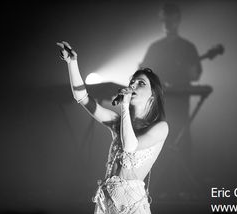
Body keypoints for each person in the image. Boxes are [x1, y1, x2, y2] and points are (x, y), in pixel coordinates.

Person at [57, 41, 169, 214]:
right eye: (132, 81)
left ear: (153, 95)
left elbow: (130, 146)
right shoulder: (118, 123)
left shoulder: (161, 127)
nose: (133, 85)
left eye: (141, 83)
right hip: (106, 201)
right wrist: (72, 63)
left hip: (132, 204)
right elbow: (82, 98)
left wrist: (124, 105)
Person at [140, 3, 202, 199]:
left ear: (178, 20)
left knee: (181, 140)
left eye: (170, 18)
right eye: (164, 19)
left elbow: (196, 74)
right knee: (157, 142)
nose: (167, 23)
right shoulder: (155, 47)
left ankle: (184, 188)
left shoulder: (188, 47)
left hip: (179, 104)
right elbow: (143, 72)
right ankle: (159, 189)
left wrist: (190, 71)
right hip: (159, 105)